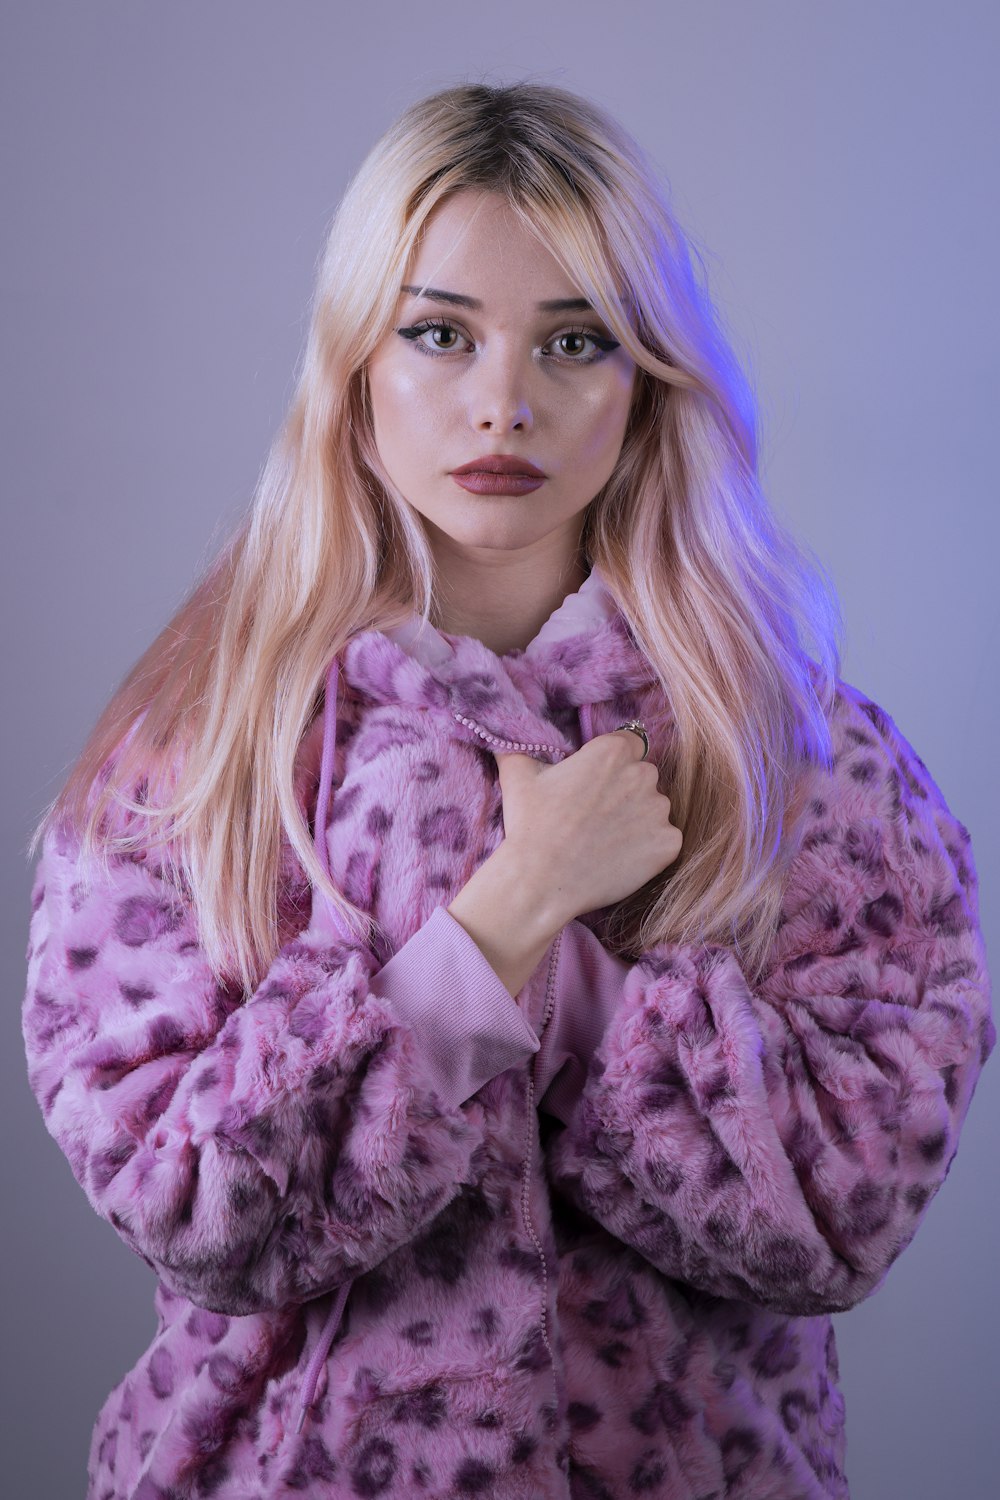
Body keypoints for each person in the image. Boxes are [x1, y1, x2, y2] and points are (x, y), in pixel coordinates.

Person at [21, 79, 993, 1500]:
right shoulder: (194, 753)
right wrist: (511, 916)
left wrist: (584, 1005)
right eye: (438, 334)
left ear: (645, 379)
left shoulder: (803, 756)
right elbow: (197, 1213)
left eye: (575, 341)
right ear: (355, 365)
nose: (504, 402)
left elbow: (842, 1209)